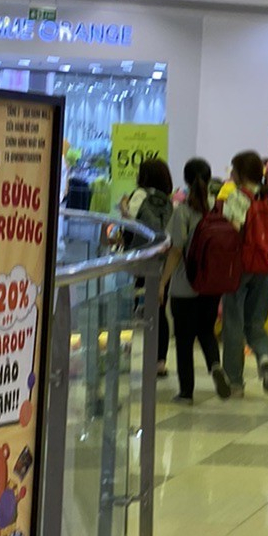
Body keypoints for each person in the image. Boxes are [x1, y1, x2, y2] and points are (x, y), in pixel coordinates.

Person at [159, 158, 231, 402]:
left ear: (186, 180)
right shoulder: (219, 209)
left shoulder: (183, 211)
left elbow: (176, 250)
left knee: (184, 340)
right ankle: (215, 365)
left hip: (185, 285)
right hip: (212, 284)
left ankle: (186, 391)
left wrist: (163, 282)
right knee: (206, 331)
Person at [220, 149, 268, 393]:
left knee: (233, 322)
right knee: (256, 322)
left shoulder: (235, 198)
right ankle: (264, 358)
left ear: (240, 173)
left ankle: (235, 381)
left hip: (240, 266)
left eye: (233, 170)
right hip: (265, 265)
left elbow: (234, 228)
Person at [125, 156, 174, 377]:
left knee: (141, 308)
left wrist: (123, 208)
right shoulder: (168, 201)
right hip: (163, 261)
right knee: (160, 310)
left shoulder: (139, 195)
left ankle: (135, 352)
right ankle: (160, 360)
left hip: (142, 259)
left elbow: (131, 222)